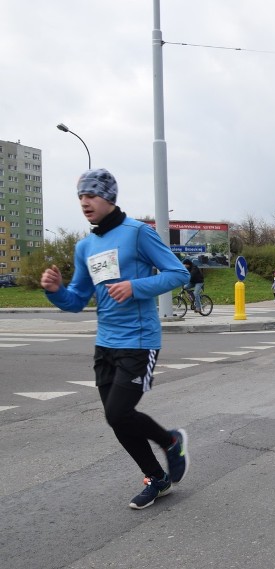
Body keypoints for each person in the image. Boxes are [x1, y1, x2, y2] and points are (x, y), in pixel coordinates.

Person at [40, 168, 190, 510]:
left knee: (119, 412)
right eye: (80, 196)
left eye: (91, 195)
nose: (84, 202)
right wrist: (55, 291)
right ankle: (157, 478)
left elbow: (177, 273)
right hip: (105, 343)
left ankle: (170, 442)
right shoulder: (86, 246)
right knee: (115, 417)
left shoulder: (137, 233)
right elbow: (77, 300)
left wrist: (135, 287)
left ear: (108, 198)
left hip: (139, 340)